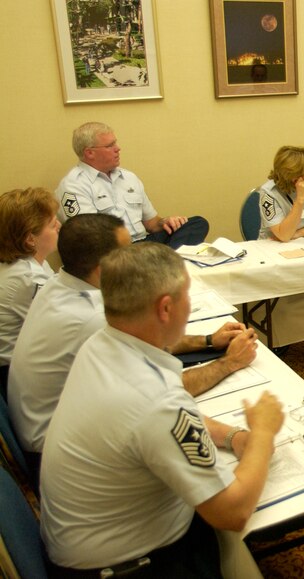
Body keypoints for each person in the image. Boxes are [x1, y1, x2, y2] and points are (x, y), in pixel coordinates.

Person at [40, 242, 283, 576]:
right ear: (166, 309)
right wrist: (263, 435)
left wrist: (233, 437)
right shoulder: (156, 400)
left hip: (86, 540)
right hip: (134, 566)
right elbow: (233, 511)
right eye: (187, 294)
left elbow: (160, 421)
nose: (190, 304)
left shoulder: (102, 344)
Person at [8, 214, 258, 465]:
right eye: (127, 252)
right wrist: (230, 362)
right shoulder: (90, 318)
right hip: (59, 450)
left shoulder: (62, 284)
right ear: (103, 268)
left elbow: (145, 342)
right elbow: (157, 391)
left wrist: (207, 341)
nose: (137, 257)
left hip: (52, 423)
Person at [56, 121, 209, 248]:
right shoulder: (73, 185)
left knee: (197, 223)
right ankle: (170, 262)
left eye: (115, 143)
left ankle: (169, 261)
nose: (118, 148)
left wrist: (167, 222)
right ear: (90, 153)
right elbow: (87, 238)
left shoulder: (128, 177)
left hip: (146, 243)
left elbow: (152, 223)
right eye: (110, 146)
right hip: (114, 251)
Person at [0, 187, 60, 394]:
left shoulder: (29, 263)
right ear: (30, 239)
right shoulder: (27, 277)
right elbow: (59, 330)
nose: (59, 226)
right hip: (12, 376)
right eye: (53, 225)